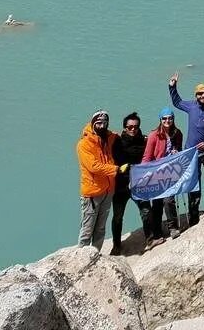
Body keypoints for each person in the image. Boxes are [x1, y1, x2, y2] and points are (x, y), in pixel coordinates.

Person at [169, 74, 204, 221]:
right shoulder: (191, 106)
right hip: (191, 153)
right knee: (193, 183)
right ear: (196, 95)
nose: (203, 95)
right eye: (200, 93)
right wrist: (172, 86)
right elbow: (177, 102)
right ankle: (193, 211)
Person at [76, 110, 128, 249]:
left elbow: (121, 135)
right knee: (87, 230)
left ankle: (96, 256)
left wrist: (142, 138)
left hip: (108, 190)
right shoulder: (84, 144)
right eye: (98, 123)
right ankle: (80, 260)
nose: (101, 126)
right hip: (92, 193)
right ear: (93, 123)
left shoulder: (109, 138)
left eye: (104, 123)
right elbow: (93, 167)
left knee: (100, 229)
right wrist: (115, 169)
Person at [142, 108, 183, 246]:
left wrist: (177, 152)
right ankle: (157, 230)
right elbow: (147, 156)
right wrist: (142, 173)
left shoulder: (177, 133)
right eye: (164, 118)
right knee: (158, 202)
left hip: (171, 172)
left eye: (170, 118)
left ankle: (172, 227)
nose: (167, 121)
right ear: (160, 120)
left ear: (173, 119)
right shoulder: (154, 135)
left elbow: (180, 152)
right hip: (157, 172)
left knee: (169, 200)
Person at [110, 112, 150, 255]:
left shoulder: (145, 140)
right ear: (125, 128)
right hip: (121, 186)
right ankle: (116, 245)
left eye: (136, 127)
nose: (133, 129)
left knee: (146, 212)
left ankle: (150, 239)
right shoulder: (116, 141)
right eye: (130, 127)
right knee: (118, 217)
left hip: (139, 184)